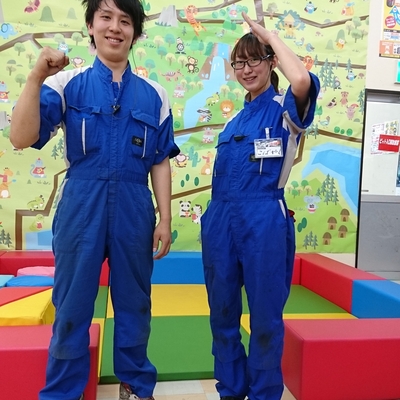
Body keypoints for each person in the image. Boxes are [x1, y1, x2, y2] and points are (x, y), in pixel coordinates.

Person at [10, 0, 179, 399]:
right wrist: (35, 76)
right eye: (106, 17)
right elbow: (20, 137)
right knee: (71, 305)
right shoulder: (65, 84)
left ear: (135, 33)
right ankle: (63, 392)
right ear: (90, 26)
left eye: (125, 21)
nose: (115, 27)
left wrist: (165, 218)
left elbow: (159, 160)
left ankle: (135, 386)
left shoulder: (155, 95)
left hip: (135, 206)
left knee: (135, 303)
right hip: (81, 204)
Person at [200, 12, 320, 400]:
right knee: (222, 315)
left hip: (264, 220)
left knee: (266, 318)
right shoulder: (232, 123)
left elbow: (301, 80)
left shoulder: (286, 110)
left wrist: (269, 36)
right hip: (221, 222)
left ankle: (265, 393)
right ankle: (231, 391)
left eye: (255, 60)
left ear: (271, 63)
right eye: (239, 63)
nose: (247, 69)